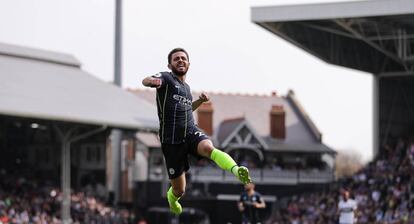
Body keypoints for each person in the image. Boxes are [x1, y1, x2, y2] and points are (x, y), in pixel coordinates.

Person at [142, 48, 252, 215]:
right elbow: (145, 80)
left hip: (190, 132)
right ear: (169, 64)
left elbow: (187, 109)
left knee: (208, 148)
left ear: (188, 64)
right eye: (176, 59)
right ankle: (172, 199)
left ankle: (237, 170)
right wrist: (152, 82)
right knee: (179, 190)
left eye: (183, 58)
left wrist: (199, 101)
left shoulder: (186, 88)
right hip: (171, 141)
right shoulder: (165, 78)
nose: (180, 61)